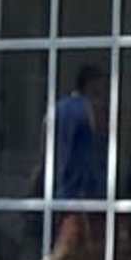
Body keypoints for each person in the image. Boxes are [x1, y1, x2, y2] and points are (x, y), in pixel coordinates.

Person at [51, 64, 107, 203]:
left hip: (60, 183)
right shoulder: (89, 107)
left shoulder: (58, 108)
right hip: (83, 186)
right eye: (99, 89)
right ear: (90, 85)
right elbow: (99, 131)